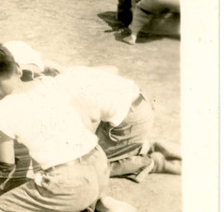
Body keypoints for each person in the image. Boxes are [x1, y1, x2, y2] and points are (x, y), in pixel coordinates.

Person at [0, 44, 142, 212]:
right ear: (17, 68)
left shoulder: (2, 110)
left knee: (1, 210)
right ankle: (99, 200)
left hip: (69, 181)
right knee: (77, 176)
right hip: (99, 162)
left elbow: (6, 163)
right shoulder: (50, 83)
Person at [52, 66, 181, 181]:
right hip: (141, 103)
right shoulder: (69, 72)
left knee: (92, 165)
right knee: (98, 149)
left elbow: (89, 123)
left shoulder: (65, 96)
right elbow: (113, 69)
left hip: (130, 119)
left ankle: (150, 163)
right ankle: (147, 146)